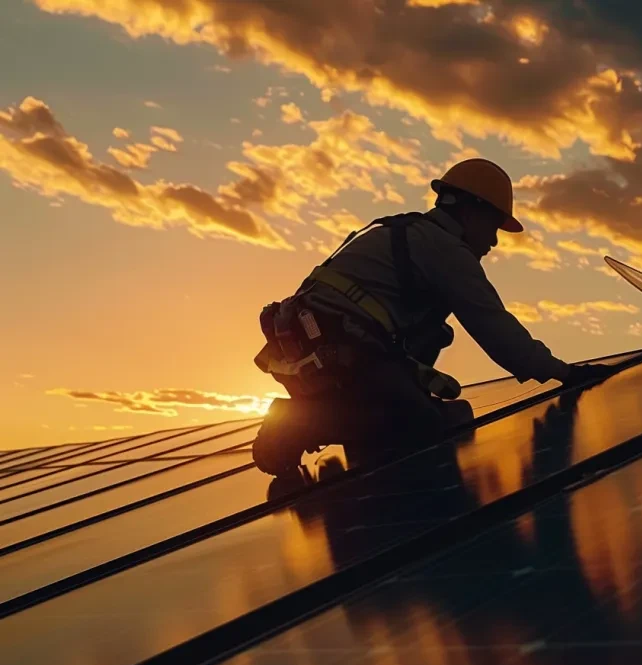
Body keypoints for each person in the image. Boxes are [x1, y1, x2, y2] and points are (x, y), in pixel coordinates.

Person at [251, 158, 617, 477]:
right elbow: (496, 328)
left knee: (436, 352)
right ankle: (298, 425)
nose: (493, 241)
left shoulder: (403, 231)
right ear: (471, 211)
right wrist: (565, 373)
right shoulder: (444, 249)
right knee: (426, 424)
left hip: (313, 351)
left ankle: (312, 422)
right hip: (341, 349)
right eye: (492, 226)